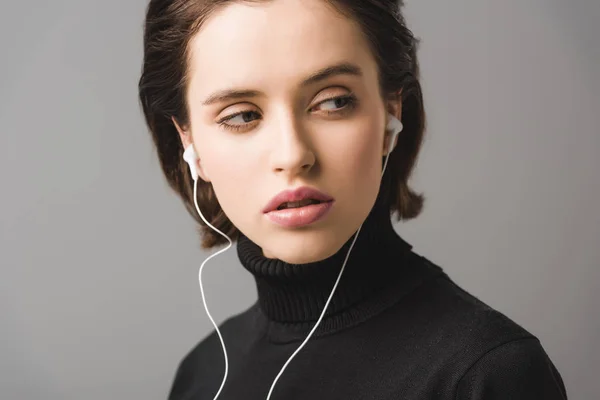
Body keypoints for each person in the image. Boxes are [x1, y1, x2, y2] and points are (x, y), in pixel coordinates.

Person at [138, 0, 569, 398]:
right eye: (242, 116)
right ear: (188, 141)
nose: (293, 155)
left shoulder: (487, 373)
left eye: (334, 102)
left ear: (391, 113)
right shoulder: (202, 375)